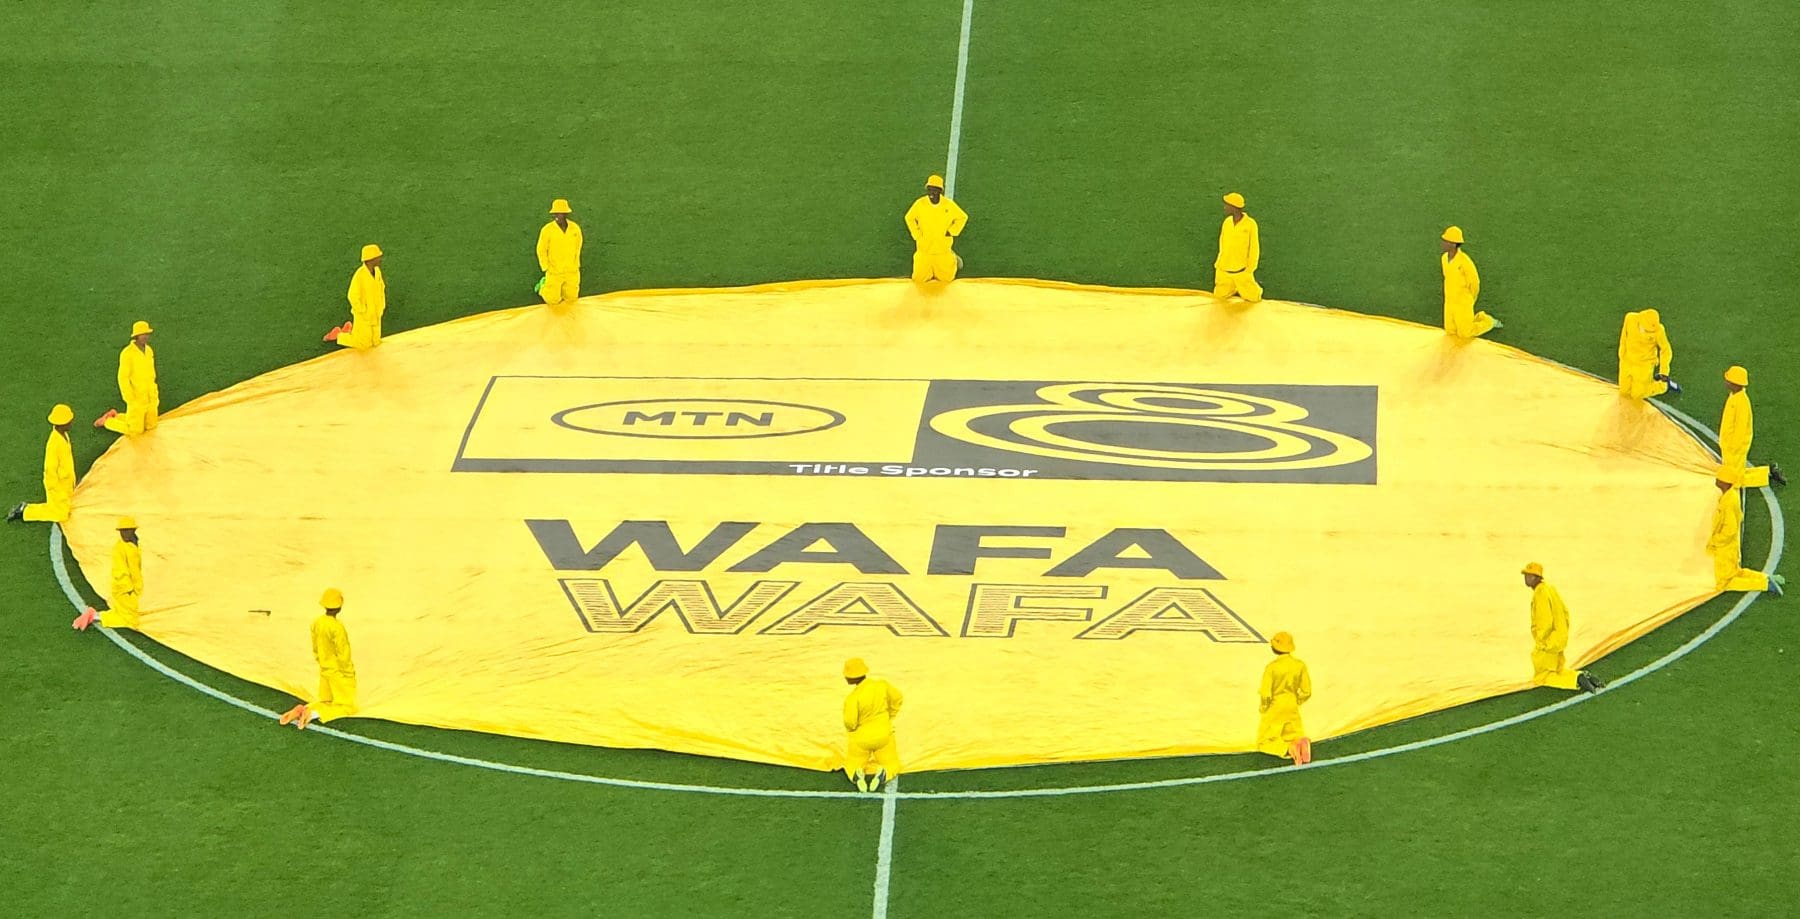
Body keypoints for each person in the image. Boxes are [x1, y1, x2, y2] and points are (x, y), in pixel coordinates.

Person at [279, 588, 358, 728]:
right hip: (338, 670)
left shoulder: (317, 622)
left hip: (324, 667)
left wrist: (320, 659)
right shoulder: (337, 627)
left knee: (326, 699)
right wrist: (348, 671)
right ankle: (313, 713)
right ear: (339, 607)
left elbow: (315, 646)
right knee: (347, 706)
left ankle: (305, 708)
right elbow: (343, 652)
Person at [1519, 563, 1603, 693]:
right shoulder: (1550, 588)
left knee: (1543, 677)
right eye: (1525, 575)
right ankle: (1581, 675)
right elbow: (1565, 612)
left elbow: (1544, 621)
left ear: (1537, 577)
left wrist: (1542, 640)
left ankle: (1576, 680)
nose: (1526, 578)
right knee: (1558, 670)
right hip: (1559, 638)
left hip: (1549, 642)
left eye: (1529, 575)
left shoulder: (1540, 594)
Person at [1708, 476, 1786, 595]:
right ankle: (1765, 577)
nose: (1717, 479)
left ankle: (1765, 584)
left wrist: (1716, 541)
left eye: (1720, 478)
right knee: (1736, 572)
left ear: (1726, 482)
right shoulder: (1731, 495)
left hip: (1725, 548)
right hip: (1730, 546)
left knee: (1724, 583)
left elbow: (1730, 529)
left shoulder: (1728, 501)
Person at [841, 657, 903, 791]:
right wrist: (890, 716)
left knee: (852, 764)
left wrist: (854, 730)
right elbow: (898, 698)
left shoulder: (852, 698)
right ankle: (884, 774)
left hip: (861, 741)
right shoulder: (882, 685)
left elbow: (850, 723)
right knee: (892, 763)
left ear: (851, 677)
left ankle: (857, 775)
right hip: (883, 736)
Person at [1718, 365, 1785, 488]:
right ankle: (1768, 472)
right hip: (1729, 444)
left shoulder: (1742, 402)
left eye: (1728, 380)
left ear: (1735, 384)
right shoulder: (1734, 396)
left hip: (1734, 446)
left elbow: (1741, 428)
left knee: (1735, 480)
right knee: (1734, 472)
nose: (1726, 382)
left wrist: (1734, 447)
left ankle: (1767, 475)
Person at [7, 405, 76, 524]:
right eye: (69, 421)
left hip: (65, 482)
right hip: (57, 484)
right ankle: (26, 511)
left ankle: (26, 509)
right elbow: (50, 469)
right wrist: (56, 490)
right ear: (61, 424)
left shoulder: (63, 435)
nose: (71, 423)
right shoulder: (54, 444)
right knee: (61, 515)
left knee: (66, 507)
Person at [73, 517, 143, 630]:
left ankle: (94, 615)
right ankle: (94, 616)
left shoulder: (133, 543)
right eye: (122, 531)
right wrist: (128, 588)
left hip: (132, 586)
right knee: (130, 620)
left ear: (133, 530)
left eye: (127, 530)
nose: (124, 534)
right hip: (124, 587)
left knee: (128, 614)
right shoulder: (120, 548)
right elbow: (121, 570)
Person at [1255, 631, 1312, 764]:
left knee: (1264, 741)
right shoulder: (1300, 665)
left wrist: (1264, 707)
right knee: (1290, 734)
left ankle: (1288, 749)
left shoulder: (1271, 668)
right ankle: (1300, 742)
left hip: (1276, 705)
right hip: (1292, 703)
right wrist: (1297, 700)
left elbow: (1266, 694)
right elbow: (1306, 691)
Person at [94, 321, 159, 435]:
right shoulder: (127, 353)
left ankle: (117, 416)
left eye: (146, 334)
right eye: (142, 334)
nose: (145, 337)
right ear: (136, 336)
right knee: (134, 430)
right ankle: (107, 421)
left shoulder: (149, 350)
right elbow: (123, 377)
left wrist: (154, 390)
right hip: (137, 397)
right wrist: (129, 397)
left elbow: (151, 371)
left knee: (151, 426)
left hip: (151, 396)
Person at [904, 175, 967, 283]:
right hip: (924, 250)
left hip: (942, 250)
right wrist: (916, 234)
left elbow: (962, 217)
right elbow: (909, 218)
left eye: (934, 190)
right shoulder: (920, 204)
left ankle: (953, 259)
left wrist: (952, 231)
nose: (931, 193)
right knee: (919, 279)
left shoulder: (948, 205)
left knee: (947, 279)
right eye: (929, 189)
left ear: (940, 191)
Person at [1440, 227, 1498, 338]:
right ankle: (1474, 318)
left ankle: (1488, 321)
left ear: (1453, 244)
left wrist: (1470, 299)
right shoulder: (1444, 258)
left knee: (1465, 333)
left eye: (1446, 241)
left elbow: (1475, 283)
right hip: (1449, 302)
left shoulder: (1465, 262)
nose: (1443, 243)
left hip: (1462, 302)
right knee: (1450, 331)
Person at [325, 245, 386, 348]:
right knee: (363, 344)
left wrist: (381, 305)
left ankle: (349, 331)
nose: (380, 259)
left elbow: (381, 288)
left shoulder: (377, 272)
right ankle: (338, 335)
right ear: (370, 259)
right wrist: (363, 311)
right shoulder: (360, 276)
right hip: (364, 316)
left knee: (375, 341)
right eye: (377, 257)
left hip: (376, 313)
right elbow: (352, 295)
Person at [1616, 309, 1681, 399]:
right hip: (1627, 360)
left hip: (1644, 364)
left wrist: (1664, 372)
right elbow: (1624, 335)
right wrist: (1622, 353)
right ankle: (1647, 382)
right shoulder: (1630, 318)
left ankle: (1664, 386)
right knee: (1624, 392)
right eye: (1646, 330)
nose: (1648, 333)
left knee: (1637, 394)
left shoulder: (1659, 330)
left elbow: (1666, 350)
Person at [1214, 193, 1262, 302]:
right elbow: (1222, 243)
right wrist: (1218, 264)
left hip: (1242, 273)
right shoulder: (1227, 222)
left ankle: (1241, 287)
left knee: (1254, 298)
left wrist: (1250, 269)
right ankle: (1232, 288)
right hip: (1224, 272)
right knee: (1219, 298)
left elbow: (1254, 248)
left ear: (1234, 207)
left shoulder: (1250, 224)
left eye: (1227, 205)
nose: (1225, 207)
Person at [536, 198, 584, 305]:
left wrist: (576, 262)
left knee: (572, 298)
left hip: (571, 270)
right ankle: (543, 287)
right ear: (554, 214)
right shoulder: (547, 230)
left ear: (566, 214)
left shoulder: (575, 229)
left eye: (562, 213)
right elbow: (541, 249)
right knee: (552, 300)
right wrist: (546, 266)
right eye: (557, 213)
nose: (560, 216)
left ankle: (561, 290)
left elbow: (578, 246)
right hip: (554, 270)